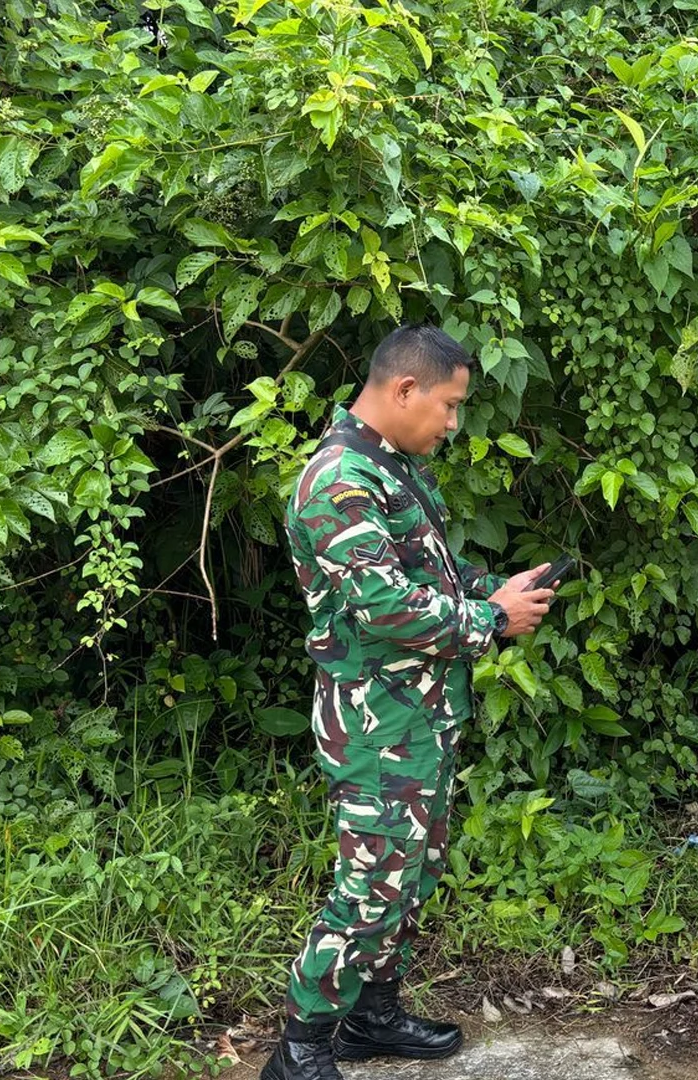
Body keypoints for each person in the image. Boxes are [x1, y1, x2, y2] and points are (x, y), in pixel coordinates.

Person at [264, 325, 556, 1080]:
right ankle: (298, 1049)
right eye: (449, 406)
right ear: (404, 390)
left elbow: (425, 568)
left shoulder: (387, 466)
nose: (452, 424)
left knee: (411, 872)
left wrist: (487, 587)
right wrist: (492, 621)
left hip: (417, 716)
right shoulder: (339, 478)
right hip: (375, 723)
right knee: (369, 885)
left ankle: (371, 1015)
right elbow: (384, 607)